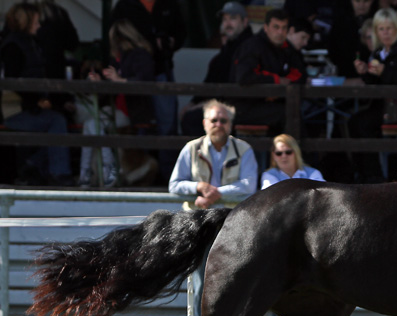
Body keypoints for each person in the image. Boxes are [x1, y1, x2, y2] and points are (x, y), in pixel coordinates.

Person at [168, 100, 258, 316]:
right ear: (205, 123)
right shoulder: (191, 148)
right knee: (200, 286)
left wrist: (216, 193)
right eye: (214, 120)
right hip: (198, 226)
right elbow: (175, 184)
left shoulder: (244, 149)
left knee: (240, 285)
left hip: (237, 225)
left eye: (224, 121)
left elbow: (249, 185)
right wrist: (197, 187)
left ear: (231, 124)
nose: (219, 125)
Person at [110, 0, 186, 181]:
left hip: (161, 71)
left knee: (167, 128)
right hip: (134, 77)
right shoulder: (124, 6)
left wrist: (169, 43)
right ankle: (142, 175)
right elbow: (115, 36)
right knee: (140, 127)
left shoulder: (168, 4)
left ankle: (168, 177)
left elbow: (181, 33)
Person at [0, 2, 73, 186]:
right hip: (13, 111)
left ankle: (33, 165)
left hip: (27, 107)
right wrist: (36, 102)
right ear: (25, 23)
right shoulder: (14, 47)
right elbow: (13, 82)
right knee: (57, 122)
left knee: (60, 120)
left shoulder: (29, 42)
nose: (39, 25)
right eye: (35, 22)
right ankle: (58, 173)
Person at [79, 19, 156, 188]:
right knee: (89, 126)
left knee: (94, 126)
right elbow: (111, 90)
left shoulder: (140, 55)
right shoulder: (118, 59)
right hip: (116, 110)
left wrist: (120, 80)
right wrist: (101, 81)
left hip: (133, 113)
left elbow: (145, 82)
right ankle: (89, 172)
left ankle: (105, 172)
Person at [349, 8, 397, 181]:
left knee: (364, 124)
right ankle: (360, 173)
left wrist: (385, 71)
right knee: (354, 122)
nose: (385, 33)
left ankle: (374, 176)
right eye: (381, 29)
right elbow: (375, 84)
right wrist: (365, 73)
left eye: (389, 28)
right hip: (383, 107)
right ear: (376, 31)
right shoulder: (378, 53)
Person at [179, 2, 253, 137]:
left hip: (241, 106)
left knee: (192, 120)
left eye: (233, 19)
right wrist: (195, 102)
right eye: (225, 19)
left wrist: (204, 103)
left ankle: (206, 158)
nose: (228, 23)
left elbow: (232, 84)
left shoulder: (248, 47)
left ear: (244, 22)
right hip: (224, 102)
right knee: (190, 116)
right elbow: (212, 79)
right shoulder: (228, 49)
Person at [231, 8, 306, 133]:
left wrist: (280, 89)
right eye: (276, 27)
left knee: (295, 112)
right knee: (288, 114)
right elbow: (245, 77)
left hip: (274, 103)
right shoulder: (252, 46)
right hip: (245, 106)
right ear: (266, 27)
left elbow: (300, 75)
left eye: (284, 28)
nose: (280, 32)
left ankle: (294, 152)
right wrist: (275, 82)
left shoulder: (287, 49)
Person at [328, 0, 374, 79]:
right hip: (346, 75)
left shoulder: (379, 23)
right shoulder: (340, 23)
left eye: (366, 1)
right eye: (357, 1)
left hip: (374, 76)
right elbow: (333, 50)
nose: (361, 5)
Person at [261, 133, 326, 188]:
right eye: (279, 153)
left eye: (288, 152)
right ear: (273, 155)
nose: (284, 156)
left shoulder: (313, 173)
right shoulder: (268, 175)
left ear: (296, 153)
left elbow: (321, 196)